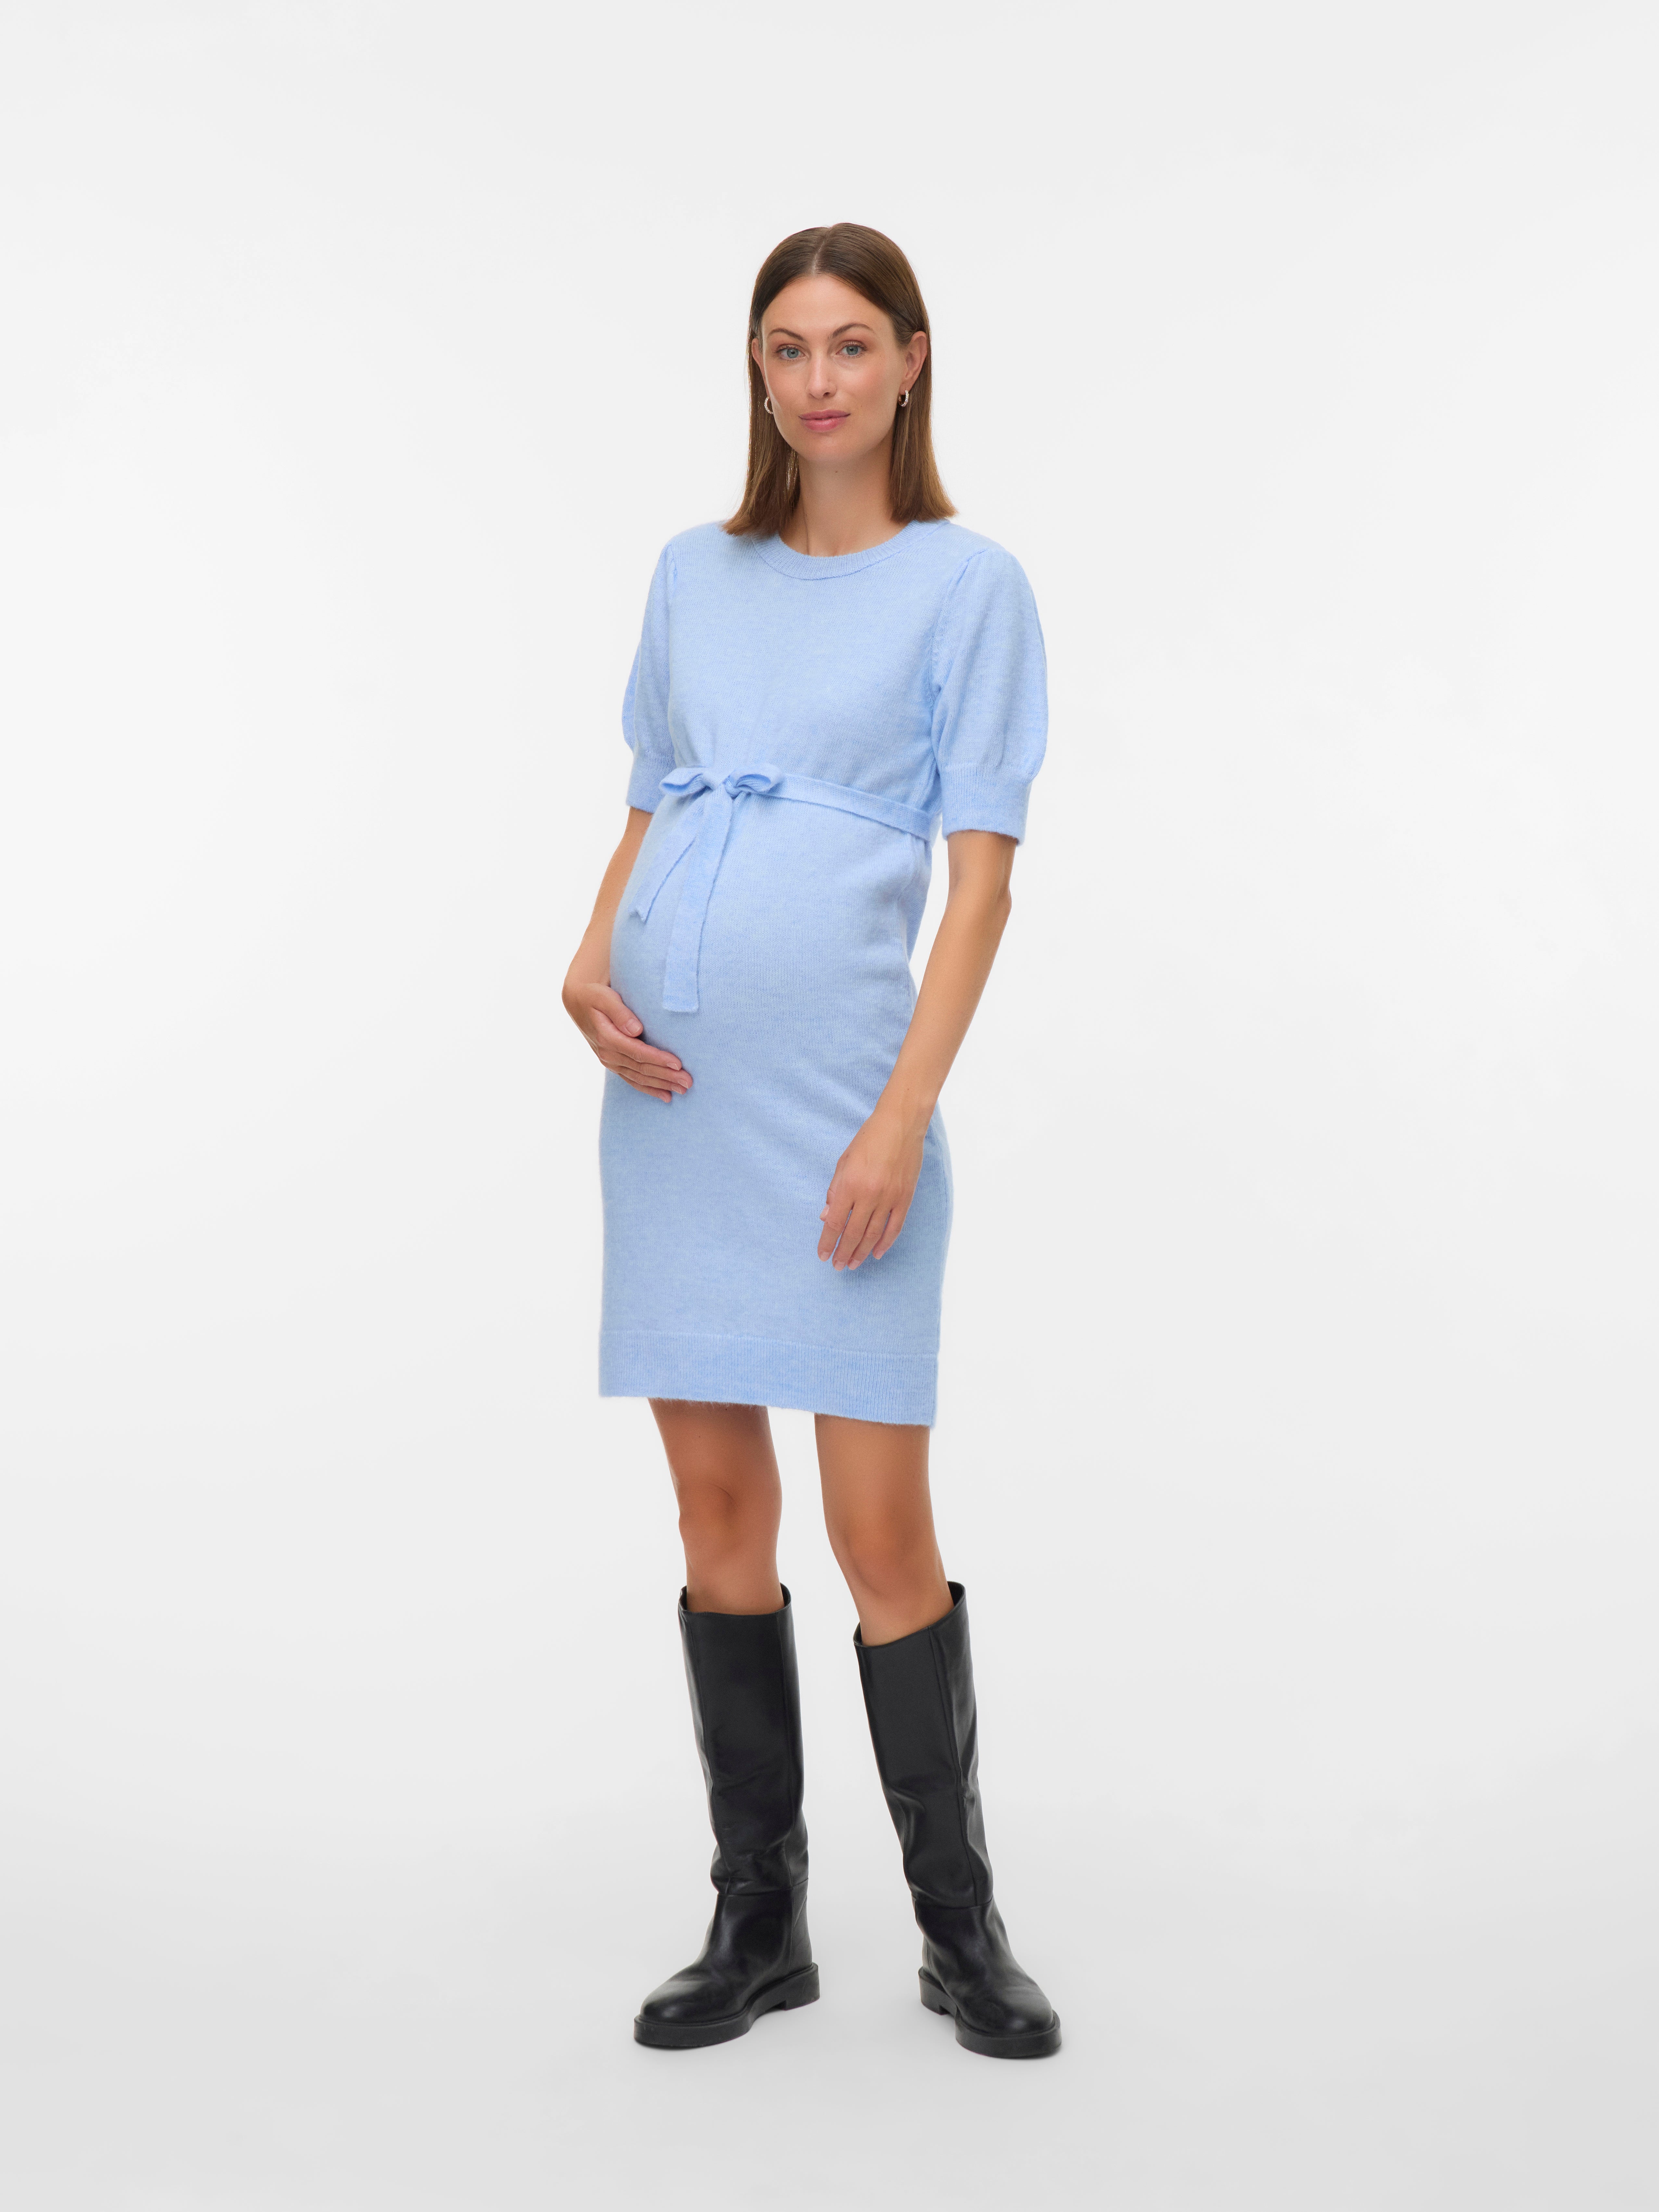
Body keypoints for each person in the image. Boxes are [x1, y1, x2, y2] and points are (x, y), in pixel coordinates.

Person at [562, 223, 1058, 2060]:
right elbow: (650, 800)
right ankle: (756, 1917)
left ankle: (959, 1928)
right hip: (669, 1108)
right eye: (787, 347)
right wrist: (586, 958)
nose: (820, 378)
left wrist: (899, 1119)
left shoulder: (968, 585)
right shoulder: (693, 572)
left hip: (846, 1106)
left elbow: (981, 888)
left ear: (912, 361)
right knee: (716, 1508)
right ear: (757, 374)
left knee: (877, 1528)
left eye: (853, 344)